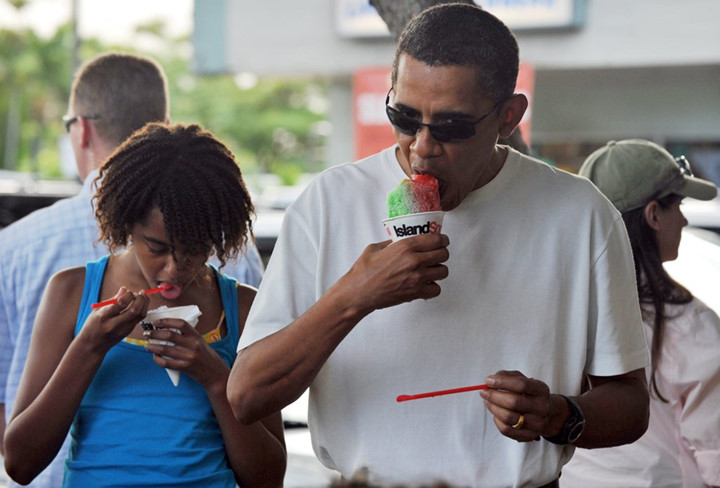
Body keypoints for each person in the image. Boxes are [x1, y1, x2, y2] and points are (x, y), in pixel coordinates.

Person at [227, 4, 650, 486]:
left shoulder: (580, 214)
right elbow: (246, 396)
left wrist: (559, 415)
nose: (421, 147)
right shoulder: (329, 202)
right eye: (403, 117)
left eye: (451, 128)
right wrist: (354, 296)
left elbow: (631, 405)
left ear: (509, 116)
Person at [0, 52, 264, 487]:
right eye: (156, 247)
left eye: (197, 249)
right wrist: (87, 347)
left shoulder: (242, 306)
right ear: (124, 224)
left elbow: (267, 478)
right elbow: (20, 463)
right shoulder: (70, 293)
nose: (175, 269)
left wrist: (215, 377)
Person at [560, 140, 720, 488]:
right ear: (653, 215)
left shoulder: (562, 308)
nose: (685, 218)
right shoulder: (690, 324)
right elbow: (714, 453)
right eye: (677, 204)